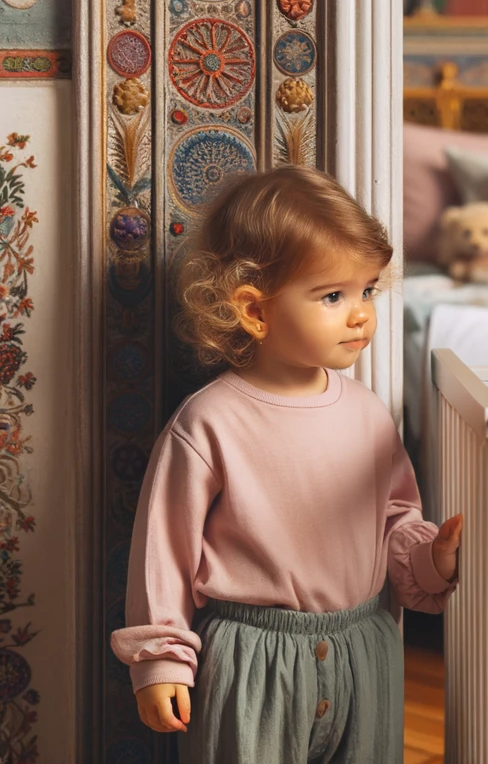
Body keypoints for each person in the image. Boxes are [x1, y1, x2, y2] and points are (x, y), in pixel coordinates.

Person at [110, 166, 462, 764]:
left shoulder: (370, 414)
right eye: (333, 295)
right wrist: (161, 658)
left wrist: (430, 558)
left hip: (365, 650)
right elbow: (163, 551)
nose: (360, 315)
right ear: (255, 311)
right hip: (251, 660)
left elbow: (395, 522)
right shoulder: (210, 421)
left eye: (368, 290)